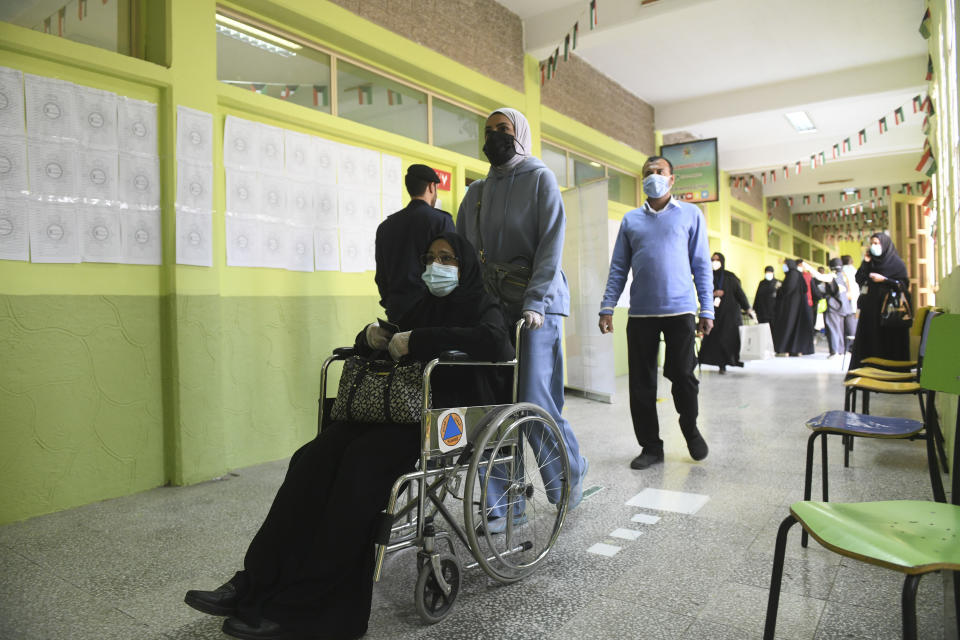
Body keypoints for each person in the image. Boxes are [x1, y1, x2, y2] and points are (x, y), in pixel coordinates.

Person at [184, 232, 513, 640]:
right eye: (430, 257)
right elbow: (392, 337)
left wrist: (422, 340)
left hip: (440, 416)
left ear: (465, 266)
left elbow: (496, 341)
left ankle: (310, 604)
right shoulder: (420, 303)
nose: (436, 266)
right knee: (311, 459)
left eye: (447, 258)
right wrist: (369, 338)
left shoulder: (483, 304)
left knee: (360, 468)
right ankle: (255, 581)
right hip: (395, 408)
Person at [456, 107, 587, 521]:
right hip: (492, 308)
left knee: (532, 399)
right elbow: (462, 252)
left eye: (504, 129)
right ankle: (503, 507)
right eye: (489, 130)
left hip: (538, 303)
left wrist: (534, 302)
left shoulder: (540, 178)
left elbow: (551, 243)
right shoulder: (476, 192)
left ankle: (569, 476)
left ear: (521, 134)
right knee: (491, 403)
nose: (495, 136)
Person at [599, 155, 714, 470]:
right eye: (648, 173)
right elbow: (619, 268)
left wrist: (707, 308)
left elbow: (702, 264)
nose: (653, 176)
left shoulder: (691, 214)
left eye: (659, 171)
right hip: (640, 316)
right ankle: (651, 447)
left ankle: (689, 428)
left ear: (672, 178)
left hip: (681, 312)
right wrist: (607, 306)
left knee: (683, 377)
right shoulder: (631, 220)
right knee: (641, 385)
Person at [374, 164, 454, 322]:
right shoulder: (441, 221)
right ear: (431, 187)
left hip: (397, 313)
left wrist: (393, 303)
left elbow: (381, 277)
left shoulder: (385, 227)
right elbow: (449, 271)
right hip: (432, 314)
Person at [848, 233, 911, 371]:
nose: (873, 246)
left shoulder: (897, 263)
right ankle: (870, 369)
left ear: (885, 244)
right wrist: (865, 261)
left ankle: (892, 371)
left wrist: (884, 279)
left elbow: (903, 285)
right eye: (872, 243)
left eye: (877, 243)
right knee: (871, 338)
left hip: (890, 309)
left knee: (889, 340)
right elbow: (859, 278)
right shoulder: (871, 263)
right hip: (871, 309)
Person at [698, 252, 754, 373]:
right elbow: (701, 292)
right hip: (714, 314)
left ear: (722, 262)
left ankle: (725, 364)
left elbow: (740, 294)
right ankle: (719, 364)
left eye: (717, 260)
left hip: (730, 315)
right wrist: (713, 294)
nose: (714, 262)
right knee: (715, 340)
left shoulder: (730, 277)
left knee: (727, 340)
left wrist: (748, 309)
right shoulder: (707, 276)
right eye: (712, 259)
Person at [772, 259, 814, 356]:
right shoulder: (799, 274)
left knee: (786, 327)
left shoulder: (792, 274)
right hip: (798, 307)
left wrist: (779, 288)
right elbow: (805, 288)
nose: (784, 267)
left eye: (785, 265)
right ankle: (795, 350)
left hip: (789, 307)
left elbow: (787, 289)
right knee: (795, 328)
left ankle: (784, 349)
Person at [820, 257, 856, 358]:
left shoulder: (833, 276)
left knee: (833, 329)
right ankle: (841, 350)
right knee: (840, 330)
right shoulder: (845, 275)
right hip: (844, 307)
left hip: (833, 307)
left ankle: (834, 351)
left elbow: (833, 291)